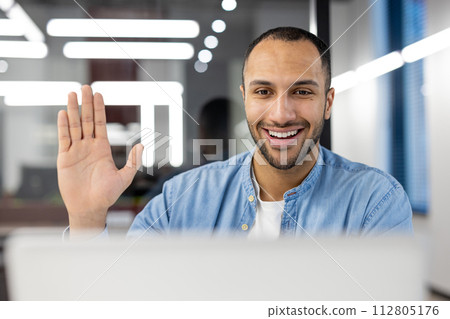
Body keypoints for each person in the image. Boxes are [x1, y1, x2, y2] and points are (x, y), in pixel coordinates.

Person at [57, 27, 413, 239]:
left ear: (328, 101)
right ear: (245, 99)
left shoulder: (375, 202)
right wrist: (87, 218)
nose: (281, 113)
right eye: (263, 92)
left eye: (302, 92)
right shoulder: (179, 200)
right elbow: (120, 299)